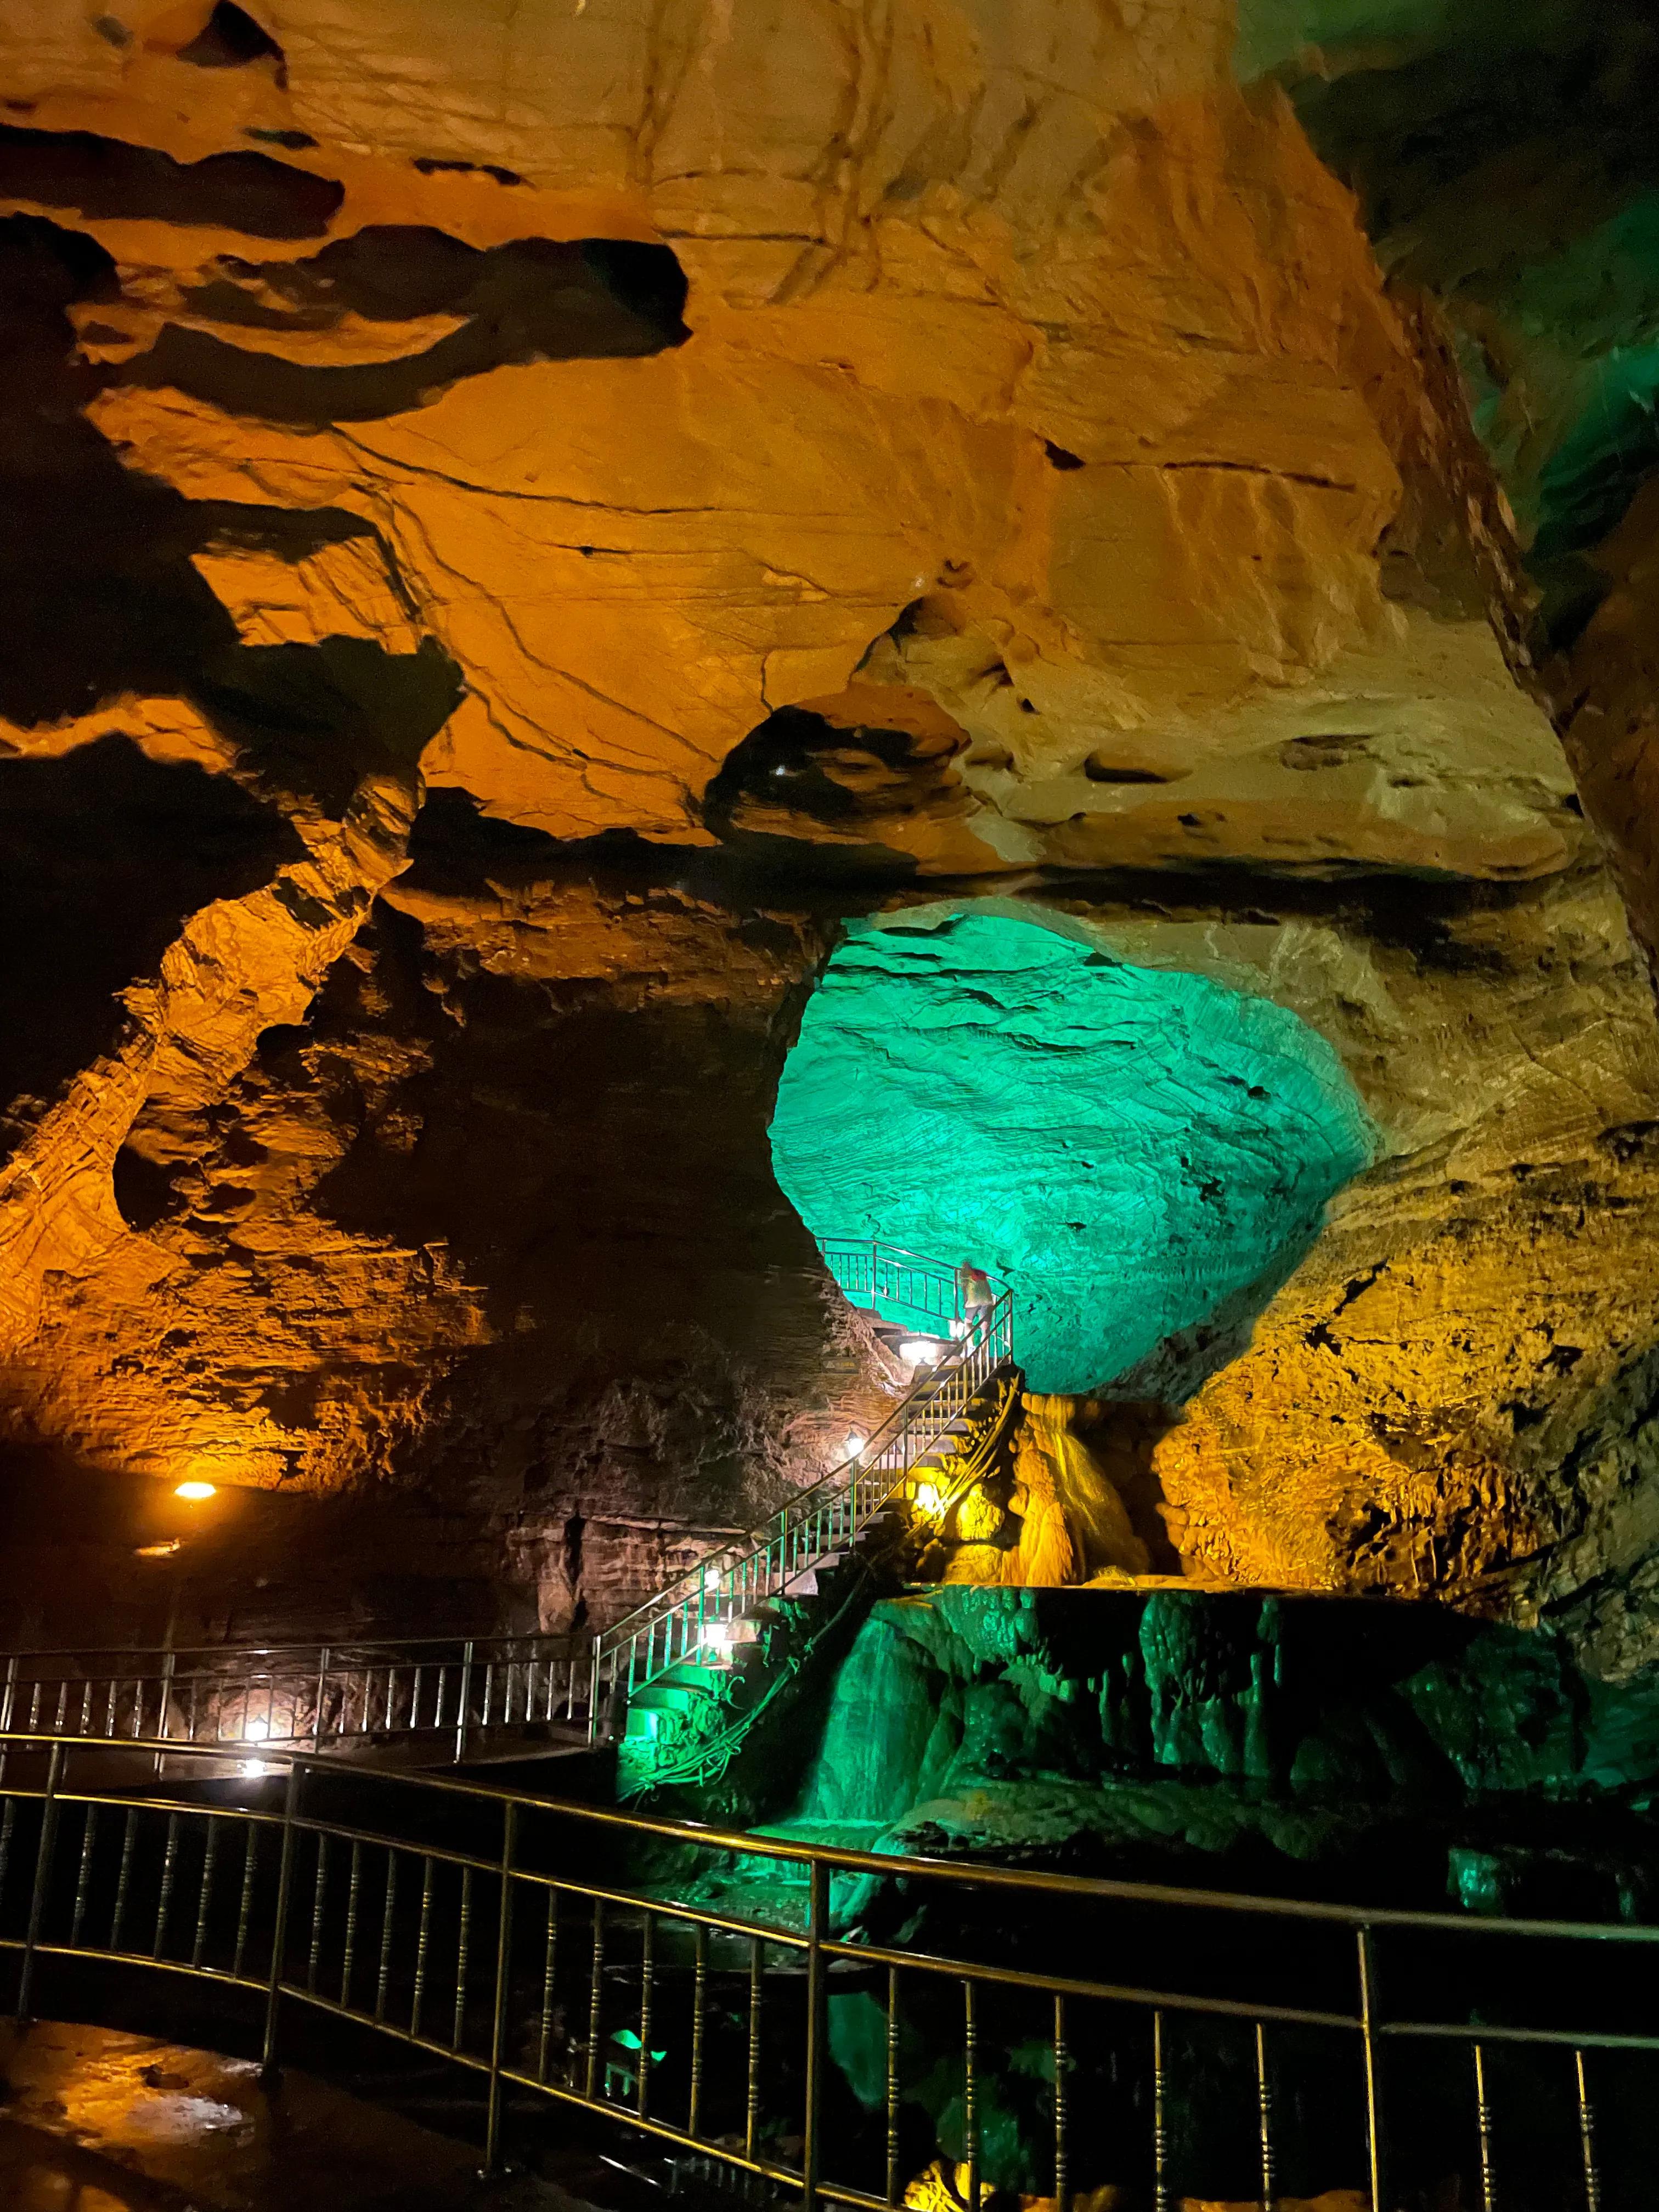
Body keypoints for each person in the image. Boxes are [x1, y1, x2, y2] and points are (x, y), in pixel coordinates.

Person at [957, 1260, 995, 1345]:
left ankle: (971, 1347)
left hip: (973, 1302)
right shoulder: (981, 1274)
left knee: (968, 1323)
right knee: (985, 1329)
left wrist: (965, 1303)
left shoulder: (966, 1276)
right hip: (987, 1302)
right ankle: (984, 1353)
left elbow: (964, 1289)